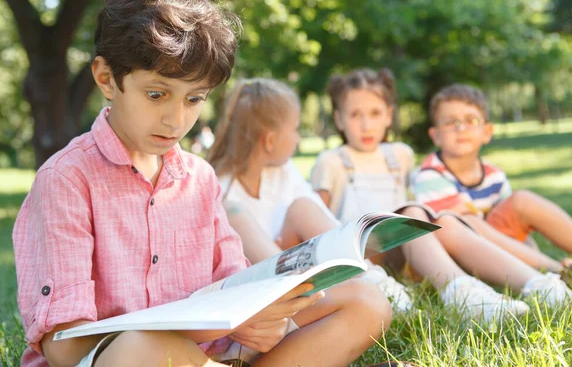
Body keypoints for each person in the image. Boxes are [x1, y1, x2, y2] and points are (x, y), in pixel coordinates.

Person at [11, 0, 383, 367]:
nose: (175, 120)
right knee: (144, 346)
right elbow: (66, 348)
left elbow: (238, 290)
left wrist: (264, 319)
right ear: (106, 78)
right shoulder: (67, 180)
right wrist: (212, 330)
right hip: (128, 360)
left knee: (364, 301)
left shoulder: (199, 178)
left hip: (209, 357)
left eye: (194, 99)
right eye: (157, 94)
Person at [207, 77, 565, 325]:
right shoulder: (223, 191)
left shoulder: (283, 174)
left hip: (343, 256)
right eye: (296, 129)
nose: (300, 139)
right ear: (270, 140)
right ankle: (432, 288)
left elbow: (323, 223)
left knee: (447, 221)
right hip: (294, 276)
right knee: (399, 215)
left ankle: (536, 285)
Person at [308, 68, 571, 317]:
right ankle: (460, 291)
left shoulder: (400, 154)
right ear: (339, 119)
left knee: (432, 218)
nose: (366, 125)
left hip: (403, 246)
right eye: (355, 115)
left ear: (389, 115)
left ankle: (539, 285)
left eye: (375, 113)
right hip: (364, 252)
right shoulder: (331, 161)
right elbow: (318, 221)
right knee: (415, 214)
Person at [412, 84, 572, 274]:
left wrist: (529, 249)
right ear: (436, 135)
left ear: (487, 132)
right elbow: (462, 231)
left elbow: (514, 231)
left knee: (522, 200)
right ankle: (556, 271)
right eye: (450, 122)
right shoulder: (430, 175)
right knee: (470, 220)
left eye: (471, 121)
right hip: (457, 255)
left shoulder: (494, 175)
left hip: (498, 246)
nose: (461, 128)